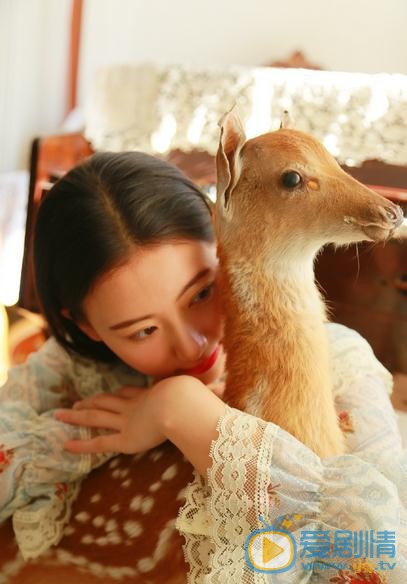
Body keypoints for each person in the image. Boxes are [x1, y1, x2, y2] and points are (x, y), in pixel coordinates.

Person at [0, 151, 406, 581]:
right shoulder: (72, 369)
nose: (192, 345)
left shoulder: (337, 361)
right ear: (86, 325)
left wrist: (185, 413)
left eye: (201, 294)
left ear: (221, 232)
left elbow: (385, 555)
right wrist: (105, 430)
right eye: (143, 331)